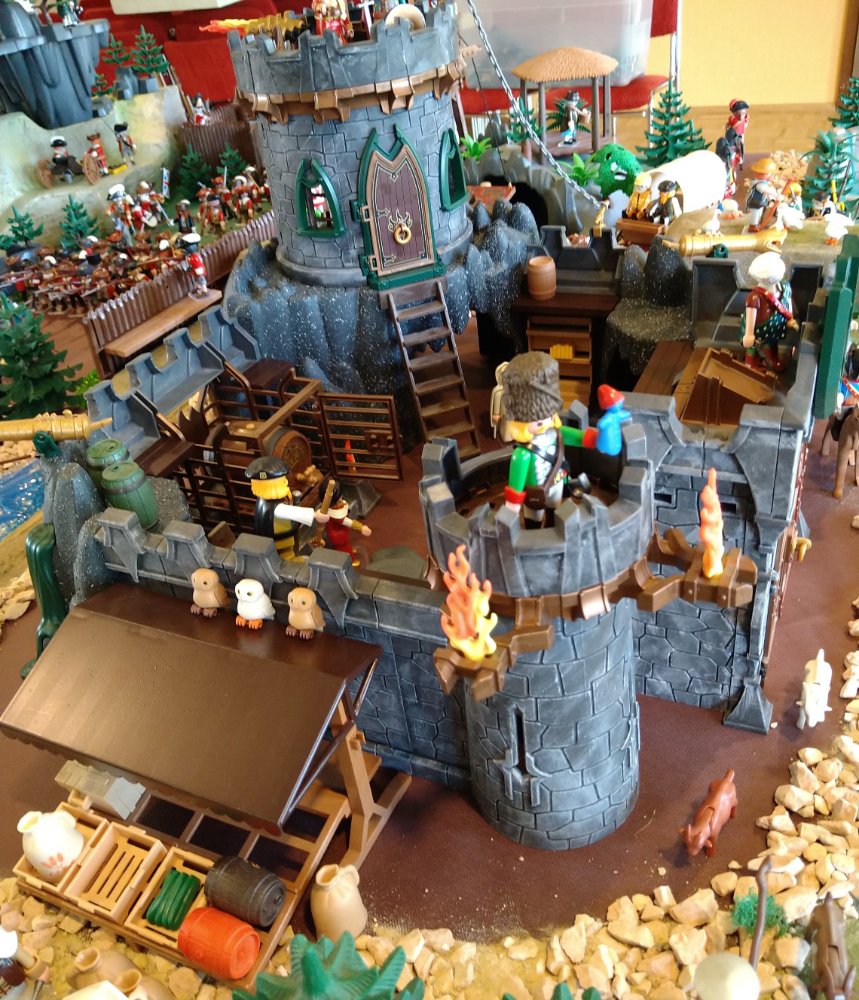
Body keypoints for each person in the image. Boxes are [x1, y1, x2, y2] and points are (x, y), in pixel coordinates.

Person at [501, 353, 625, 527]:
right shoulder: (522, 454)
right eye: (538, 420)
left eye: (548, 415)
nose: (545, 421)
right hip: (535, 491)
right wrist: (512, 507)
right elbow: (515, 485)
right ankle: (533, 535)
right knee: (534, 519)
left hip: (557, 483)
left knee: (555, 512)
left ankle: (553, 528)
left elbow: (579, 437)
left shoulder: (556, 434)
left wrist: (598, 438)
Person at [245, 456, 329, 560]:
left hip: (277, 542)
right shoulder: (274, 507)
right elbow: (290, 512)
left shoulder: (262, 500)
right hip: (279, 547)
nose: (285, 482)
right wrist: (315, 515)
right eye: (282, 480)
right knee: (290, 560)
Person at [739, 251, 799, 373]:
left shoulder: (784, 287)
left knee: (772, 344)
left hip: (774, 327)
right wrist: (749, 334)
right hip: (758, 329)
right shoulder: (755, 297)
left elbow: (787, 302)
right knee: (752, 347)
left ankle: (772, 360)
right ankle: (751, 364)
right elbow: (750, 315)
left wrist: (790, 318)